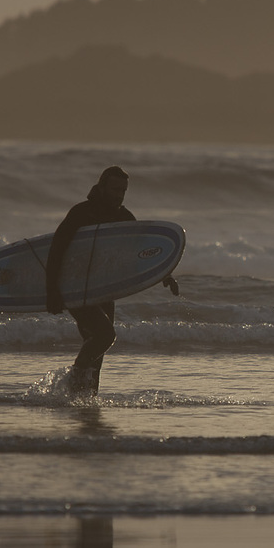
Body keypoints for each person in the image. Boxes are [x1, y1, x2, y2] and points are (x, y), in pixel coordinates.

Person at [46, 166, 177, 394]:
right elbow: (57, 250)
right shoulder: (81, 213)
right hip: (77, 287)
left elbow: (143, 252)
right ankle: (73, 380)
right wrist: (53, 291)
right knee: (106, 336)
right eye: (115, 189)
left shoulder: (123, 217)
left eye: (123, 190)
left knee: (96, 349)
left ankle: (85, 402)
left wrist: (165, 275)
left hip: (105, 290)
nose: (119, 194)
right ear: (102, 186)